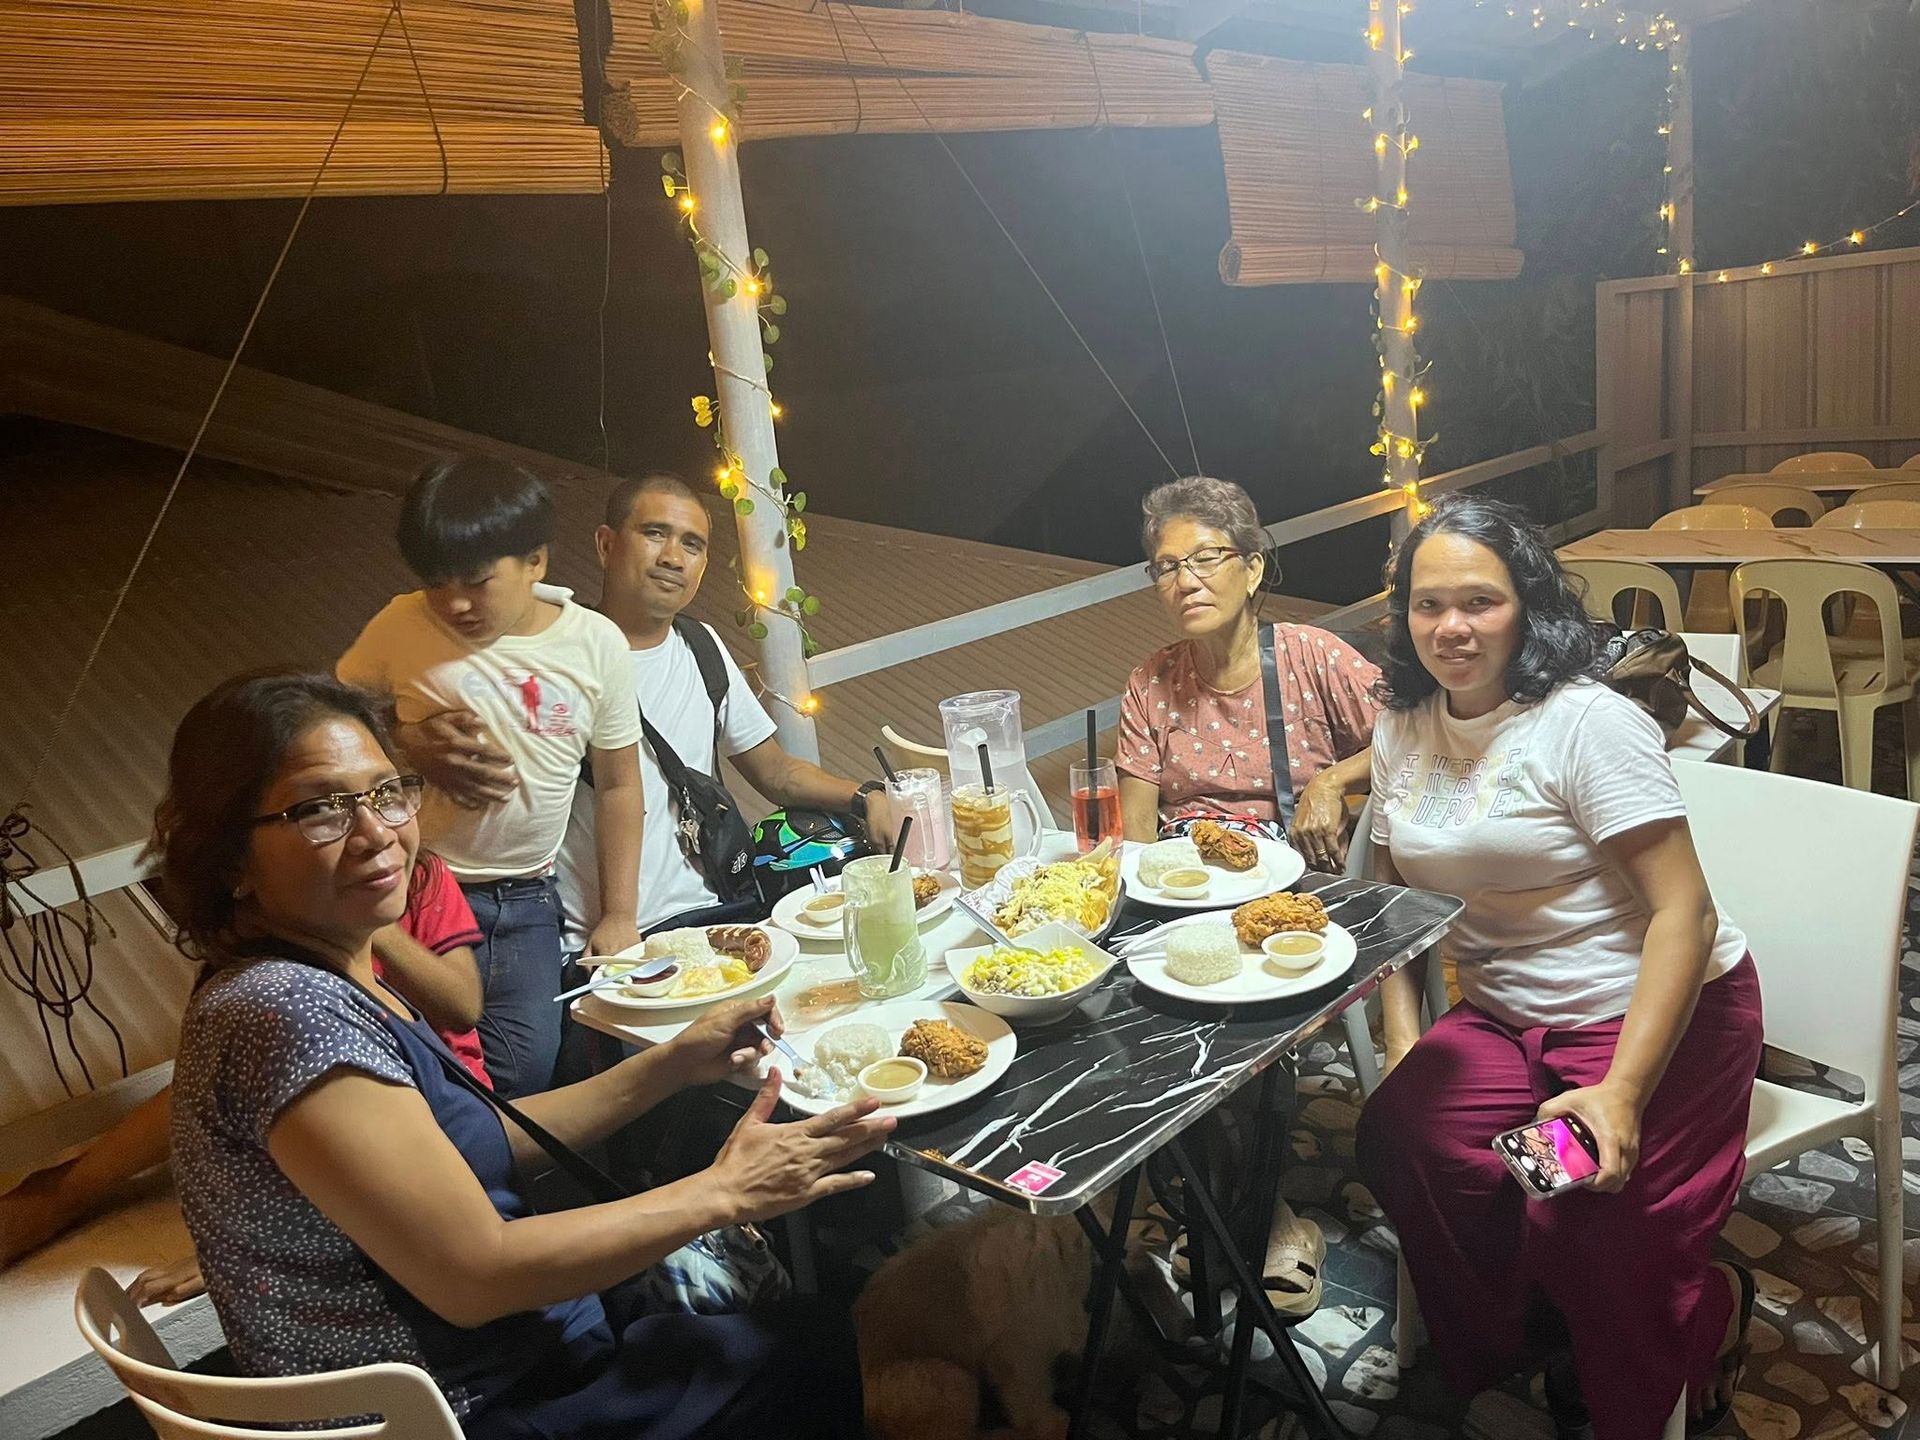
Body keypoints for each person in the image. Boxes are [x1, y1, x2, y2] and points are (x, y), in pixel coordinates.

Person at [155, 671, 884, 1437]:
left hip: (494, 1359)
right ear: (229, 856)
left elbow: (471, 1146)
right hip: (464, 1405)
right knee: (817, 1345)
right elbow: (474, 1274)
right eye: (320, 810)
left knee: (785, 1323)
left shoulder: (317, 974)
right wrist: (726, 1191)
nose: (377, 833)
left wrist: (671, 1063)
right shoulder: (284, 1013)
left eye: (385, 793)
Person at [1355, 496, 1761, 1438]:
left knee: (1584, 1213)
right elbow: (1400, 910)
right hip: (1502, 1015)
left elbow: (1684, 912)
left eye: (1479, 602)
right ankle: (1536, 1341)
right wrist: (1408, 1038)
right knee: (1402, 1138)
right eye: (1428, 605)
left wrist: (1621, 1091)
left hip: (1655, 1016)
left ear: (1527, 608)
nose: (1451, 628)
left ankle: (1700, 1323)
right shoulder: (1403, 725)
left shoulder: (1585, 725)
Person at [408, 471, 899, 941]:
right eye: (654, 533)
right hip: (601, 941)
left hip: (719, 914)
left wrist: (867, 796)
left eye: (692, 544)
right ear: (606, 544)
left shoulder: (701, 646)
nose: (673, 557)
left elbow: (774, 771)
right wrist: (413, 740)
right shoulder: (544, 653)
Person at [0, 855, 485, 1279]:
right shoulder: (270, 948)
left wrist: (366, 916)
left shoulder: (415, 878)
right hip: (333, 1130)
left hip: (438, 1119)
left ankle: (66, 1191)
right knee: (214, 1080)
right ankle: (65, 1191)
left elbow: (460, 1007)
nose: (367, 837)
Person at [338, 456, 646, 1097]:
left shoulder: (595, 645)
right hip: (413, 887)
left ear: (535, 561)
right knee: (402, 1062)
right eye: (436, 583)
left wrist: (619, 914)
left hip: (527, 898)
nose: (454, 602)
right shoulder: (401, 625)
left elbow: (619, 783)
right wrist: (406, 743)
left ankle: (484, 1188)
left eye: (477, 581)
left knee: (525, 1074)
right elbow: (328, 724)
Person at [1118, 475, 1380, 873]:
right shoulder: (1150, 683)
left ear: (1253, 570)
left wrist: (1331, 782)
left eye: (1205, 558)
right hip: (1185, 885)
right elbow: (1136, 837)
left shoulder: (1311, 656)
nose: (1185, 582)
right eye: (1168, 567)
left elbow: (1412, 739)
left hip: (1292, 884)